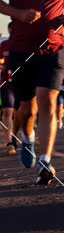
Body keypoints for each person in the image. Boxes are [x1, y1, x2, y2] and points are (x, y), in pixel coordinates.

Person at [0, 0, 64, 184]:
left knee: (49, 102)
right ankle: (28, 139)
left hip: (53, 48)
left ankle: (46, 161)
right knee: (26, 109)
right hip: (21, 49)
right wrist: (19, 14)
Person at [0, 23, 17, 153]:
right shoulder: (4, 44)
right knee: (7, 112)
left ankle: (23, 137)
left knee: (23, 113)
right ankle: (9, 142)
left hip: (22, 83)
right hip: (7, 83)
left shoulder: (25, 44)